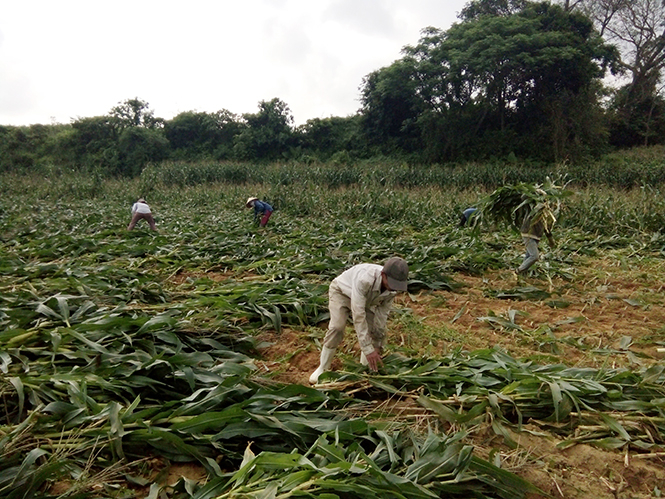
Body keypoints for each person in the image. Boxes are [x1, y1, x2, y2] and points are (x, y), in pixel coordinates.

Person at [309, 256, 409, 384]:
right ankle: (322, 368)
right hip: (342, 292)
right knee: (337, 327)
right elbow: (358, 315)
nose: (394, 288)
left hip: (366, 300)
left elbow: (382, 316)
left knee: (374, 332)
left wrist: (377, 344)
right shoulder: (365, 279)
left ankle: (364, 370)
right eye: (392, 283)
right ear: (383, 274)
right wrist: (368, 349)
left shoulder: (392, 290)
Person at [517, 206, 555, 274]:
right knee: (534, 256)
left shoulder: (545, 215)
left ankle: (522, 274)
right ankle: (518, 271)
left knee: (528, 256)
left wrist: (551, 240)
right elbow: (524, 198)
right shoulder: (532, 209)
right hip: (528, 234)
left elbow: (547, 229)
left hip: (536, 237)